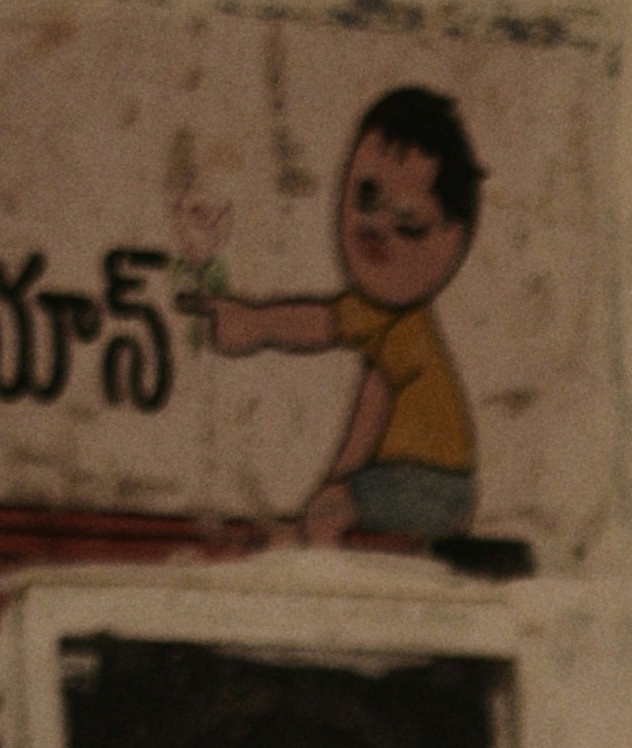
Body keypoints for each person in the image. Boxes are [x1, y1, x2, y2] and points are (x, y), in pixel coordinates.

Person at [200, 84, 486, 549]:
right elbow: (355, 378)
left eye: (410, 222)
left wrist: (256, 324)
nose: (377, 227)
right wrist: (336, 485)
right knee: (335, 504)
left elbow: (327, 334)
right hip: (425, 484)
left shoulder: (399, 321)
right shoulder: (388, 321)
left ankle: (299, 542)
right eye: (366, 196)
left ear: (452, 242)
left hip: (430, 485)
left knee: (335, 507)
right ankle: (305, 534)